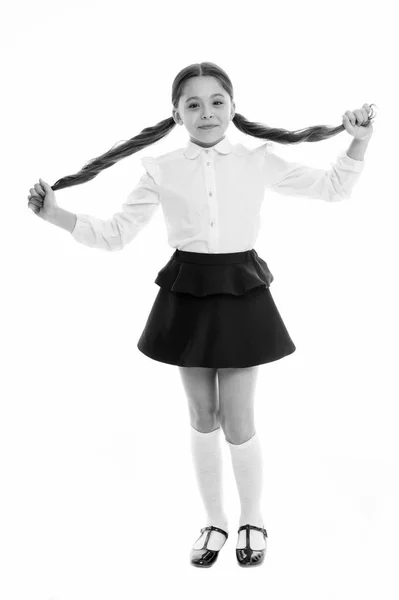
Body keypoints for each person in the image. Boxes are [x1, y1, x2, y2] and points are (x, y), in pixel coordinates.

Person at [27, 62, 375, 568]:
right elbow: (118, 233)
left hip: (241, 291)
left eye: (217, 102)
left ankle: (252, 519)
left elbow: (333, 188)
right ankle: (214, 521)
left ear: (234, 107)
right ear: (177, 114)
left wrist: (358, 142)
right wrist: (55, 214)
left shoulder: (258, 160)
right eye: (193, 104)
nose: (207, 112)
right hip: (187, 292)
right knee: (201, 416)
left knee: (239, 419)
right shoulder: (161, 168)